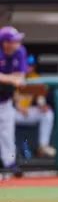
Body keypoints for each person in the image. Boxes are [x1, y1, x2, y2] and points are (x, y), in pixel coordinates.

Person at [0, 26, 28, 177]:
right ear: (5, 43)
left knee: (7, 133)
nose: (17, 43)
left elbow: (20, 75)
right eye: (13, 41)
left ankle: (9, 163)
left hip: (5, 100)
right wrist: (12, 79)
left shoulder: (20, 51)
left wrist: (16, 79)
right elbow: (14, 78)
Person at [14, 59, 56, 158]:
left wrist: (42, 105)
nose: (29, 67)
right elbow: (8, 98)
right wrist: (18, 108)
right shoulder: (15, 75)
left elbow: (40, 97)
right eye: (27, 65)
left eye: (31, 65)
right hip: (13, 111)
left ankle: (43, 146)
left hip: (26, 112)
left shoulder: (35, 78)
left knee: (47, 113)